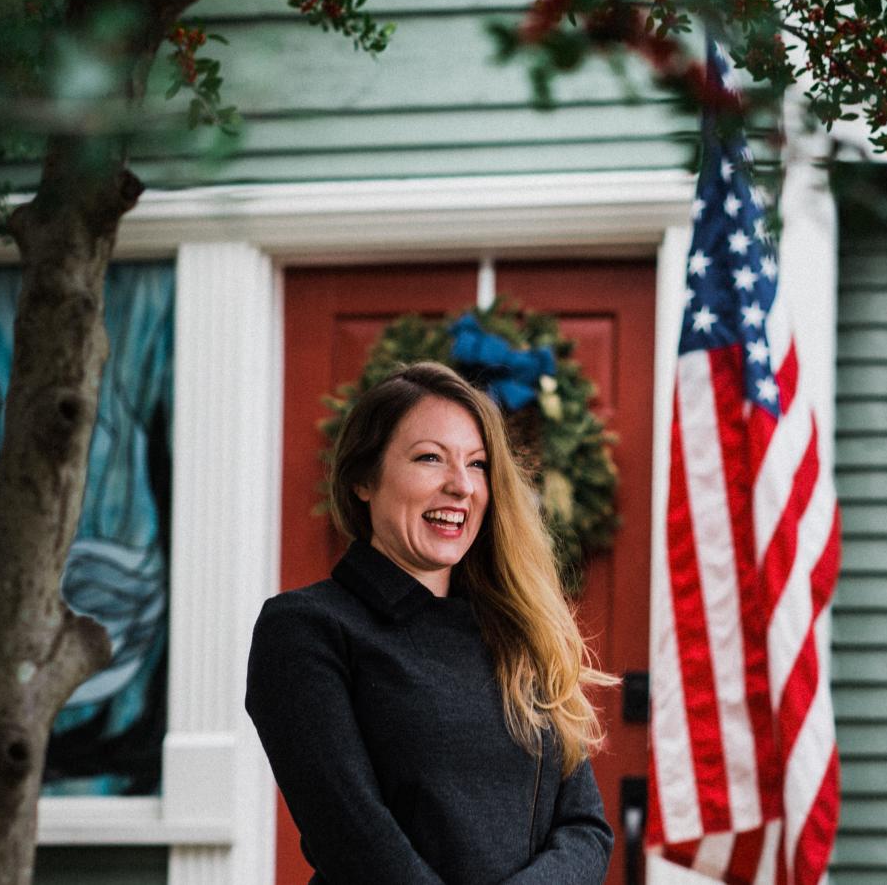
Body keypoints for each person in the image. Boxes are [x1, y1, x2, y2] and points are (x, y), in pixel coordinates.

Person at [246, 361, 617, 884]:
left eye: (477, 464)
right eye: (429, 459)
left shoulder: (516, 633)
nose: (461, 486)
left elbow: (584, 828)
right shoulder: (307, 630)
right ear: (363, 480)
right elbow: (353, 837)